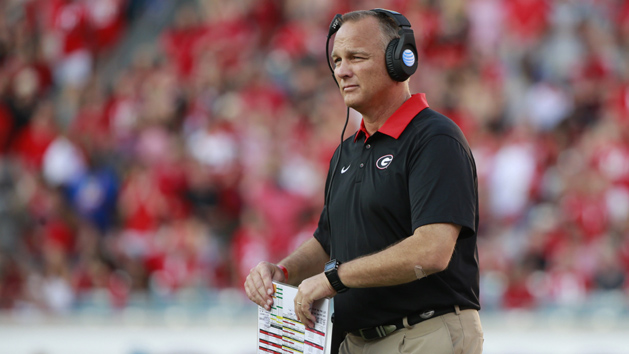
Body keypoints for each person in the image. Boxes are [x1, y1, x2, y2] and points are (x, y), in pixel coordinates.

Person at [244, 9, 483, 354]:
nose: (341, 70)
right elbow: (328, 243)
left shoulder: (435, 138)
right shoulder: (345, 152)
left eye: (356, 57)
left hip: (423, 334)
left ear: (399, 60)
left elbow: (432, 250)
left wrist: (333, 279)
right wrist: (283, 271)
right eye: (337, 60)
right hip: (354, 341)